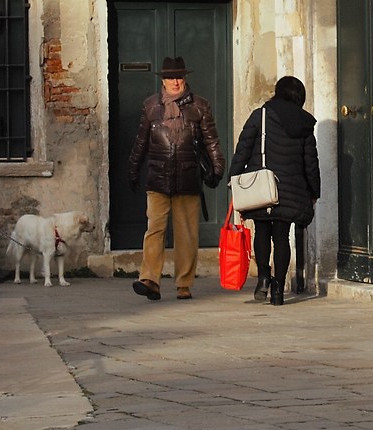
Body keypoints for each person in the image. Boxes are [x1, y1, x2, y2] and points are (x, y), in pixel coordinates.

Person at [126, 55, 222, 300]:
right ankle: (149, 279)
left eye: (179, 77)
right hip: (158, 177)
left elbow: (211, 140)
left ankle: (184, 284)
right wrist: (133, 169)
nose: (175, 82)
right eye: (170, 78)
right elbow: (141, 141)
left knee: (186, 234)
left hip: (188, 177)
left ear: (185, 79)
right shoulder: (151, 106)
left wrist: (217, 167)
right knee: (154, 230)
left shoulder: (199, 106)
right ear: (163, 80)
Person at [227, 76, 323, 306]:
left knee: (262, 231)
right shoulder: (304, 123)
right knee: (281, 236)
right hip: (290, 189)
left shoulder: (260, 115)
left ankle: (263, 277)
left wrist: (234, 178)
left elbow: (243, 149)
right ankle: (278, 289)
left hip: (261, 186)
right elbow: (310, 162)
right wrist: (314, 191)